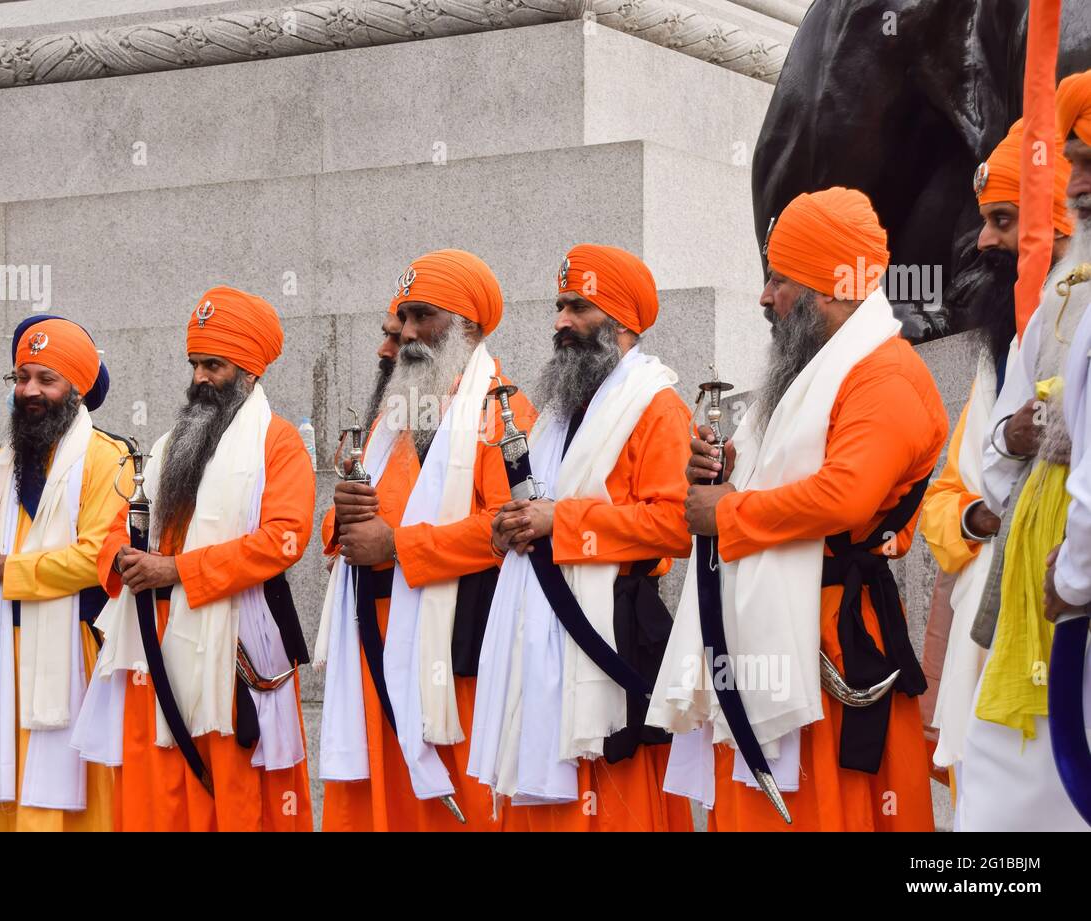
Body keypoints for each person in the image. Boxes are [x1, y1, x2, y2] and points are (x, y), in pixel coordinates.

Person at [649, 187, 948, 831]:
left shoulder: (885, 375)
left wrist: (730, 512)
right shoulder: (820, 369)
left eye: (778, 280)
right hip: (774, 629)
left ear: (829, 289)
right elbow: (781, 476)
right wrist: (726, 470)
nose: (764, 298)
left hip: (832, 643)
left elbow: (847, 495)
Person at [470, 243, 695, 831]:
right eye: (559, 306)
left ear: (620, 324)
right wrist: (507, 528)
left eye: (578, 308)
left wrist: (560, 524)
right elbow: (539, 509)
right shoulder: (560, 412)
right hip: (542, 624)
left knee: (616, 797)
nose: (561, 323)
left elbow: (675, 525)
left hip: (615, 628)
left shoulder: (657, 406)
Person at [78, 285, 316, 831]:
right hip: (154, 654)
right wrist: (120, 558)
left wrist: (178, 571)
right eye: (195, 365)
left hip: (235, 656)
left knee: (234, 797)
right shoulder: (168, 446)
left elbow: (285, 538)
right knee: (156, 799)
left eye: (215, 365)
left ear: (250, 372)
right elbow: (122, 523)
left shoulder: (278, 444)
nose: (201, 378)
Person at [314, 249, 534, 830]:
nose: (407, 334)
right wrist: (342, 520)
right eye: (401, 321)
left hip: (451, 639)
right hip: (372, 632)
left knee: (448, 796)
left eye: (421, 318)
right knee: (377, 798)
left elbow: (511, 525)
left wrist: (397, 547)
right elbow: (343, 528)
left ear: (468, 327)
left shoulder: (501, 411)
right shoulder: (395, 414)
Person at [918, 118, 1072, 805]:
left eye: (1003, 219)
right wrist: (986, 510)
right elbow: (945, 505)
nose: (984, 241)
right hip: (990, 632)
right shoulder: (1000, 361)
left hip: (1065, 621)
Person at [963, 70, 1091, 831]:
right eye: (1071, 164)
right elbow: (995, 452)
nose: (1077, 182)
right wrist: (1013, 440)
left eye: (1088, 164)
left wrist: (1073, 575)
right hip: (1036, 575)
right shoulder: (1060, 294)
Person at [0, 315, 126, 832]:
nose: (30, 390)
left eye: (46, 380)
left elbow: (97, 555)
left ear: (76, 390)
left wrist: (9, 570)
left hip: (76, 660)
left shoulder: (109, 461)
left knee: (80, 813)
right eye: (21, 377)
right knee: (0, 810)